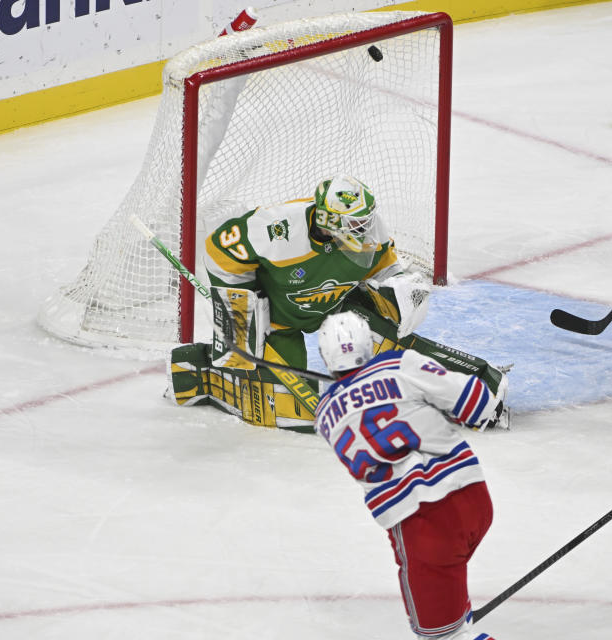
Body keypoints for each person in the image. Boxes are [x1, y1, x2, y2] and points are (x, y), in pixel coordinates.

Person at [167, 175, 509, 432]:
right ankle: (200, 370)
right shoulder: (277, 229)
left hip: (338, 306)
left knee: (389, 343)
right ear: (328, 221)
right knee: (282, 409)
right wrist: (238, 311)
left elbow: (389, 271)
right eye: (355, 223)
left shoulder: (369, 232)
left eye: (366, 218)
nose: (366, 228)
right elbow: (218, 249)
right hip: (277, 320)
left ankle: (471, 384)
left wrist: (403, 295)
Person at [314, 310, 499, 640]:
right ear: (369, 345)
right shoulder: (398, 364)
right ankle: (457, 618)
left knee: (442, 636)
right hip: (472, 498)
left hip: (420, 523)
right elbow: (478, 403)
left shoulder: (325, 414)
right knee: (451, 575)